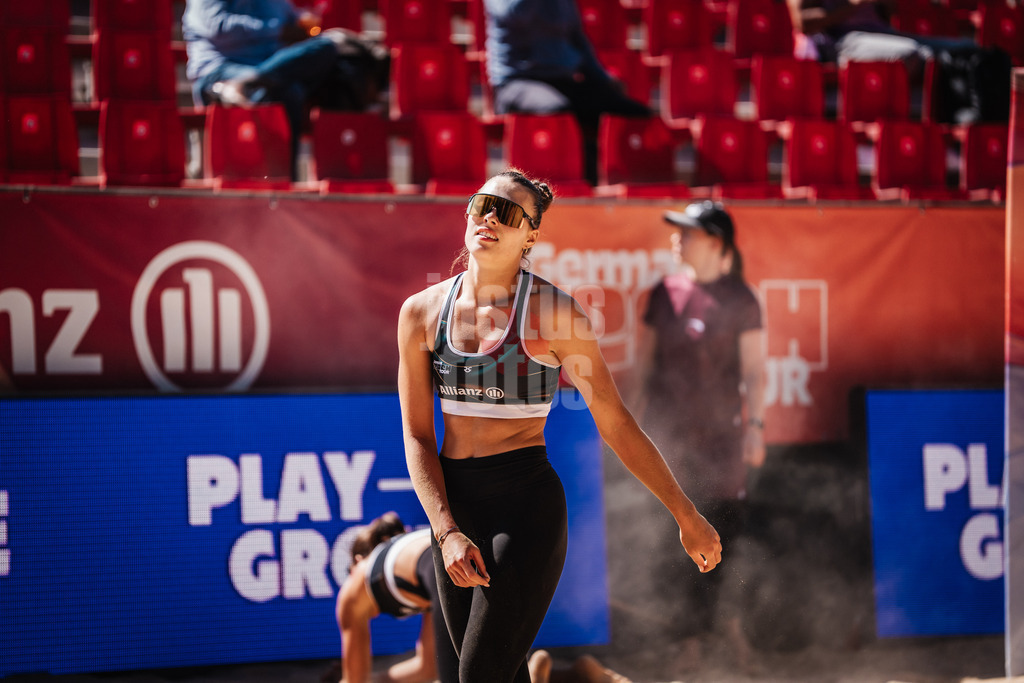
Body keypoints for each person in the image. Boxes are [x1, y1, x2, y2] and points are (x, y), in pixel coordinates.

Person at [397, 168, 722, 683]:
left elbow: (615, 422)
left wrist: (685, 514)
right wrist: (446, 529)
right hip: (456, 510)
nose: (488, 218)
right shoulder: (420, 313)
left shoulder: (555, 314)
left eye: (506, 213)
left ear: (531, 235)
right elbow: (418, 435)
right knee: (496, 674)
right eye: (482, 204)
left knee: (478, 677)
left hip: (524, 506)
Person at [633, 200, 765, 671]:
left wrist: (757, 427)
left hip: (723, 443)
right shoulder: (662, 294)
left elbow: (756, 374)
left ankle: (731, 634)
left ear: (715, 241)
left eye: (686, 231)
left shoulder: (741, 299)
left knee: (725, 533)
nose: (676, 238)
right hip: (670, 443)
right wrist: (629, 426)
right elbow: (642, 369)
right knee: (675, 537)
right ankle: (690, 643)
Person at [182, 0, 388, 175]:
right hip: (220, 70)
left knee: (328, 48)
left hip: (269, 69)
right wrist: (276, 29)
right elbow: (217, 27)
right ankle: (252, 83)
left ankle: (250, 83)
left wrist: (302, 22)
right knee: (281, 90)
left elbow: (293, 18)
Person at [482, 0, 652, 184]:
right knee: (559, 109)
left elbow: (577, 39)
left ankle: (630, 182)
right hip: (516, 82)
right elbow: (515, 14)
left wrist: (602, 79)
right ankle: (584, 184)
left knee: (633, 111)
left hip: (562, 80)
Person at [786, 0, 1010, 123]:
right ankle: (952, 117)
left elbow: (888, 12)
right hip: (839, 41)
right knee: (914, 54)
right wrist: (853, 5)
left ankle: (985, 117)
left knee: (967, 48)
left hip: (879, 32)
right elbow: (803, 23)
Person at [333, 511, 457, 683]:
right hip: (463, 564)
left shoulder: (358, 576)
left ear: (357, 560)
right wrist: (375, 679)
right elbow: (428, 667)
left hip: (449, 571)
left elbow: (355, 680)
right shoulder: (415, 562)